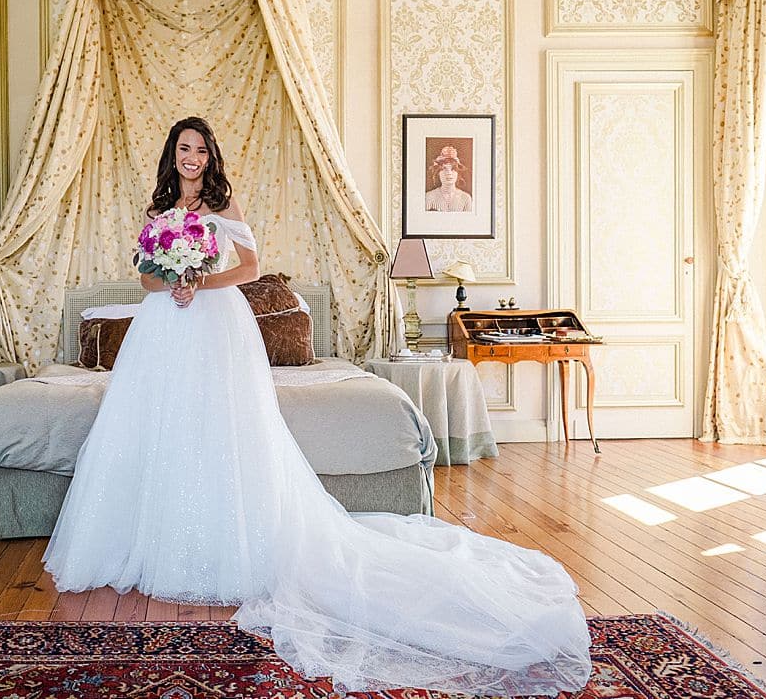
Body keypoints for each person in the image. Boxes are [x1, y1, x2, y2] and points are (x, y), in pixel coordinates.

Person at [42, 116, 592, 695]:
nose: (192, 158)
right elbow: (146, 280)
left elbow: (250, 270)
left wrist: (199, 284)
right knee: (160, 428)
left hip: (214, 325)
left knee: (219, 425)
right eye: (184, 148)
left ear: (210, 156)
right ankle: (150, 541)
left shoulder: (223, 208)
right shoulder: (157, 213)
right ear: (171, 153)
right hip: (164, 330)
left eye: (201, 150)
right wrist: (172, 281)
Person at [424, 145, 473, 212]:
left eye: (453, 169)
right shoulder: (428, 197)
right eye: (444, 169)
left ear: (458, 173)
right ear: (438, 173)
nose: (449, 173)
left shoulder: (466, 198)